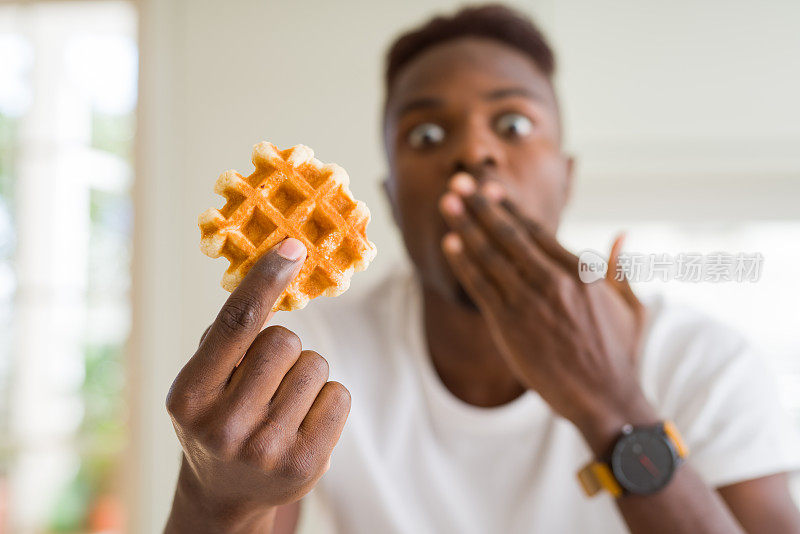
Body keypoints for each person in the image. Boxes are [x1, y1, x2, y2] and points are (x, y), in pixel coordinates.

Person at [163, 5, 800, 533]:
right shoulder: (319, 356)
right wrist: (214, 500)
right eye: (427, 136)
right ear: (389, 199)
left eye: (514, 123)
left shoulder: (703, 363)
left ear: (567, 179)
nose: (474, 150)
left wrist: (612, 404)